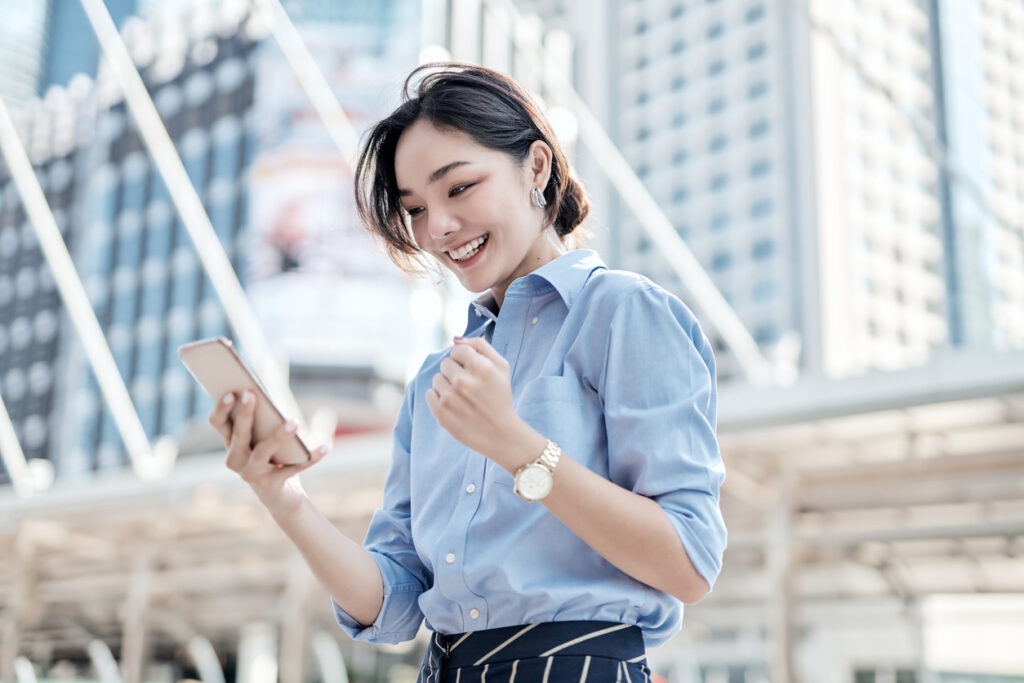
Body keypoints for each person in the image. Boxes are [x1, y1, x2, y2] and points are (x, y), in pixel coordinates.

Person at [208, 63, 727, 682]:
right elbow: (396, 606)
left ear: (536, 167)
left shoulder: (622, 313)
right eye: (416, 210)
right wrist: (284, 498)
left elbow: (689, 563)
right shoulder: (436, 381)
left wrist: (515, 445)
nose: (438, 229)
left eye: (458, 189)